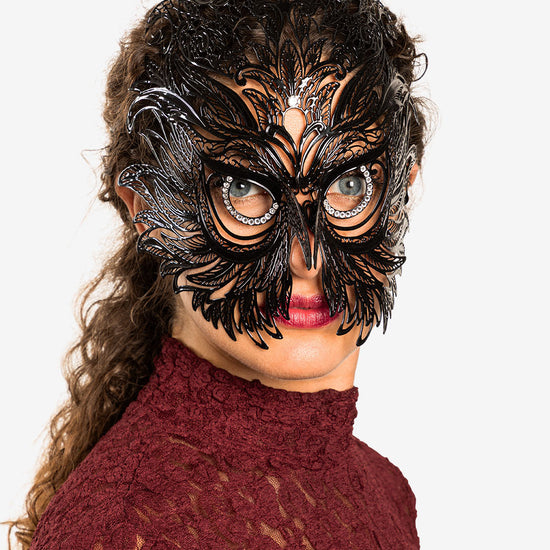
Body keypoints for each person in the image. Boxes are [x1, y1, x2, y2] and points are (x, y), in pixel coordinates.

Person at [9, 0, 429, 548]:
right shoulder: (124, 530)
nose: (307, 257)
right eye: (244, 189)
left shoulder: (386, 492)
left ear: (402, 189)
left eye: (350, 186)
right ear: (147, 208)